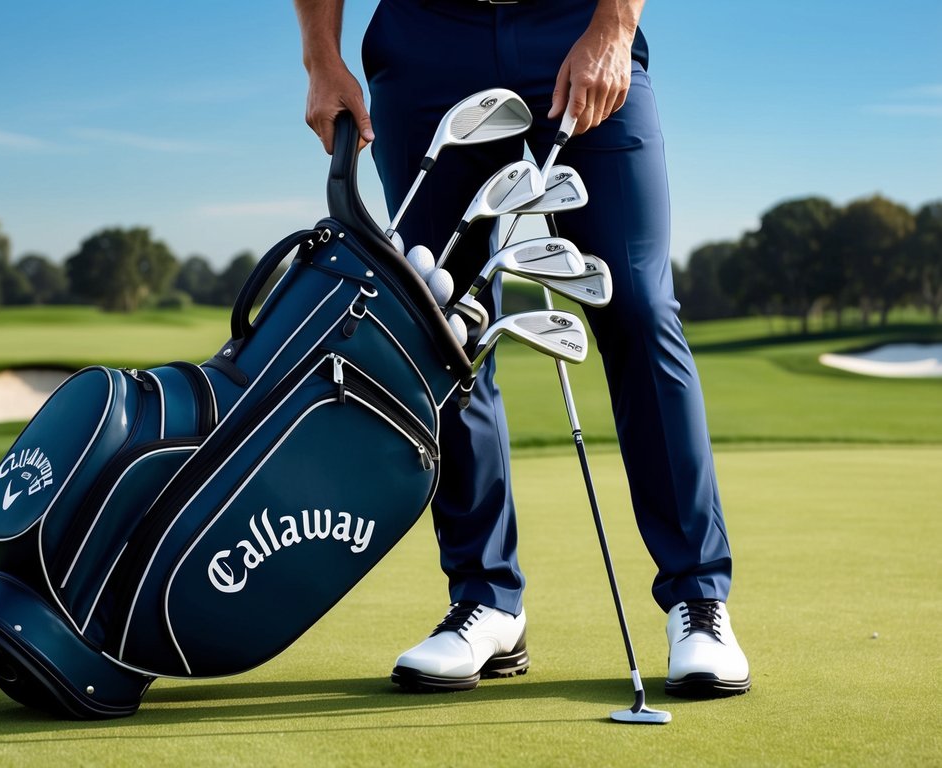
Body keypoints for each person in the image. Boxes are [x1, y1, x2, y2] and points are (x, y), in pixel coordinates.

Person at [294, 0, 750, 699]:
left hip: (574, 20)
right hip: (425, 40)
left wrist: (613, 27)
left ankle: (698, 601)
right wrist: (321, 60)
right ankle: (486, 601)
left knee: (636, 304)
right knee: (443, 321)